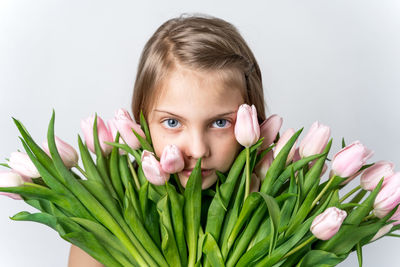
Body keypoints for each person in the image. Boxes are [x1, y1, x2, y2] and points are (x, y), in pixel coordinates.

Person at [68, 13, 266, 266]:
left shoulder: (275, 208)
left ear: (253, 117)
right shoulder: (108, 215)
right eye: (172, 123)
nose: (197, 149)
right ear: (141, 122)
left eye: (220, 123)